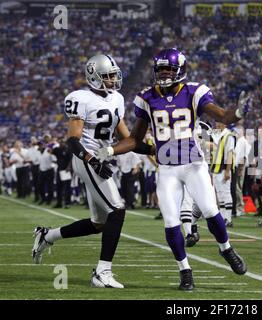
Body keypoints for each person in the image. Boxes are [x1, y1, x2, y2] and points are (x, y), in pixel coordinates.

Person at [96, 48, 249, 290]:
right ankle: (185, 271)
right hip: (167, 169)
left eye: (169, 69)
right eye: (161, 69)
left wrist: (237, 113)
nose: (165, 73)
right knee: (170, 222)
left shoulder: (193, 92)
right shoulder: (146, 98)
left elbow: (222, 115)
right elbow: (136, 139)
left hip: (193, 165)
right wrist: (111, 150)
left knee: (210, 210)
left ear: (180, 70)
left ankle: (226, 249)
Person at [31, 54, 153, 288]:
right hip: (86, 158)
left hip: (101, 159)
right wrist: (92, 160)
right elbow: (72, 140)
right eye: (107, 76)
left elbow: (127, 139)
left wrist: (155, 150)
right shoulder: (80, 98)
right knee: (117, 209)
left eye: (113, 76)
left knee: (99, 223)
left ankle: (47, 235)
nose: (112, 80)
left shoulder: (116, 98)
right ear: (93, 77)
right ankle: (102, 272)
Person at [211, 121, 236, 227]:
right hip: (216, 168)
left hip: (223, 167)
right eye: (216, 122)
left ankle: (228, 218)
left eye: (220, 122)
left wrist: (227, 170)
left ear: (225, 123)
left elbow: (230, 153)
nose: (217, 124)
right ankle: (222, 217)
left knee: (226, 193)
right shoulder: (217, 134)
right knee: (220, 194)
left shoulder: (228, 135)